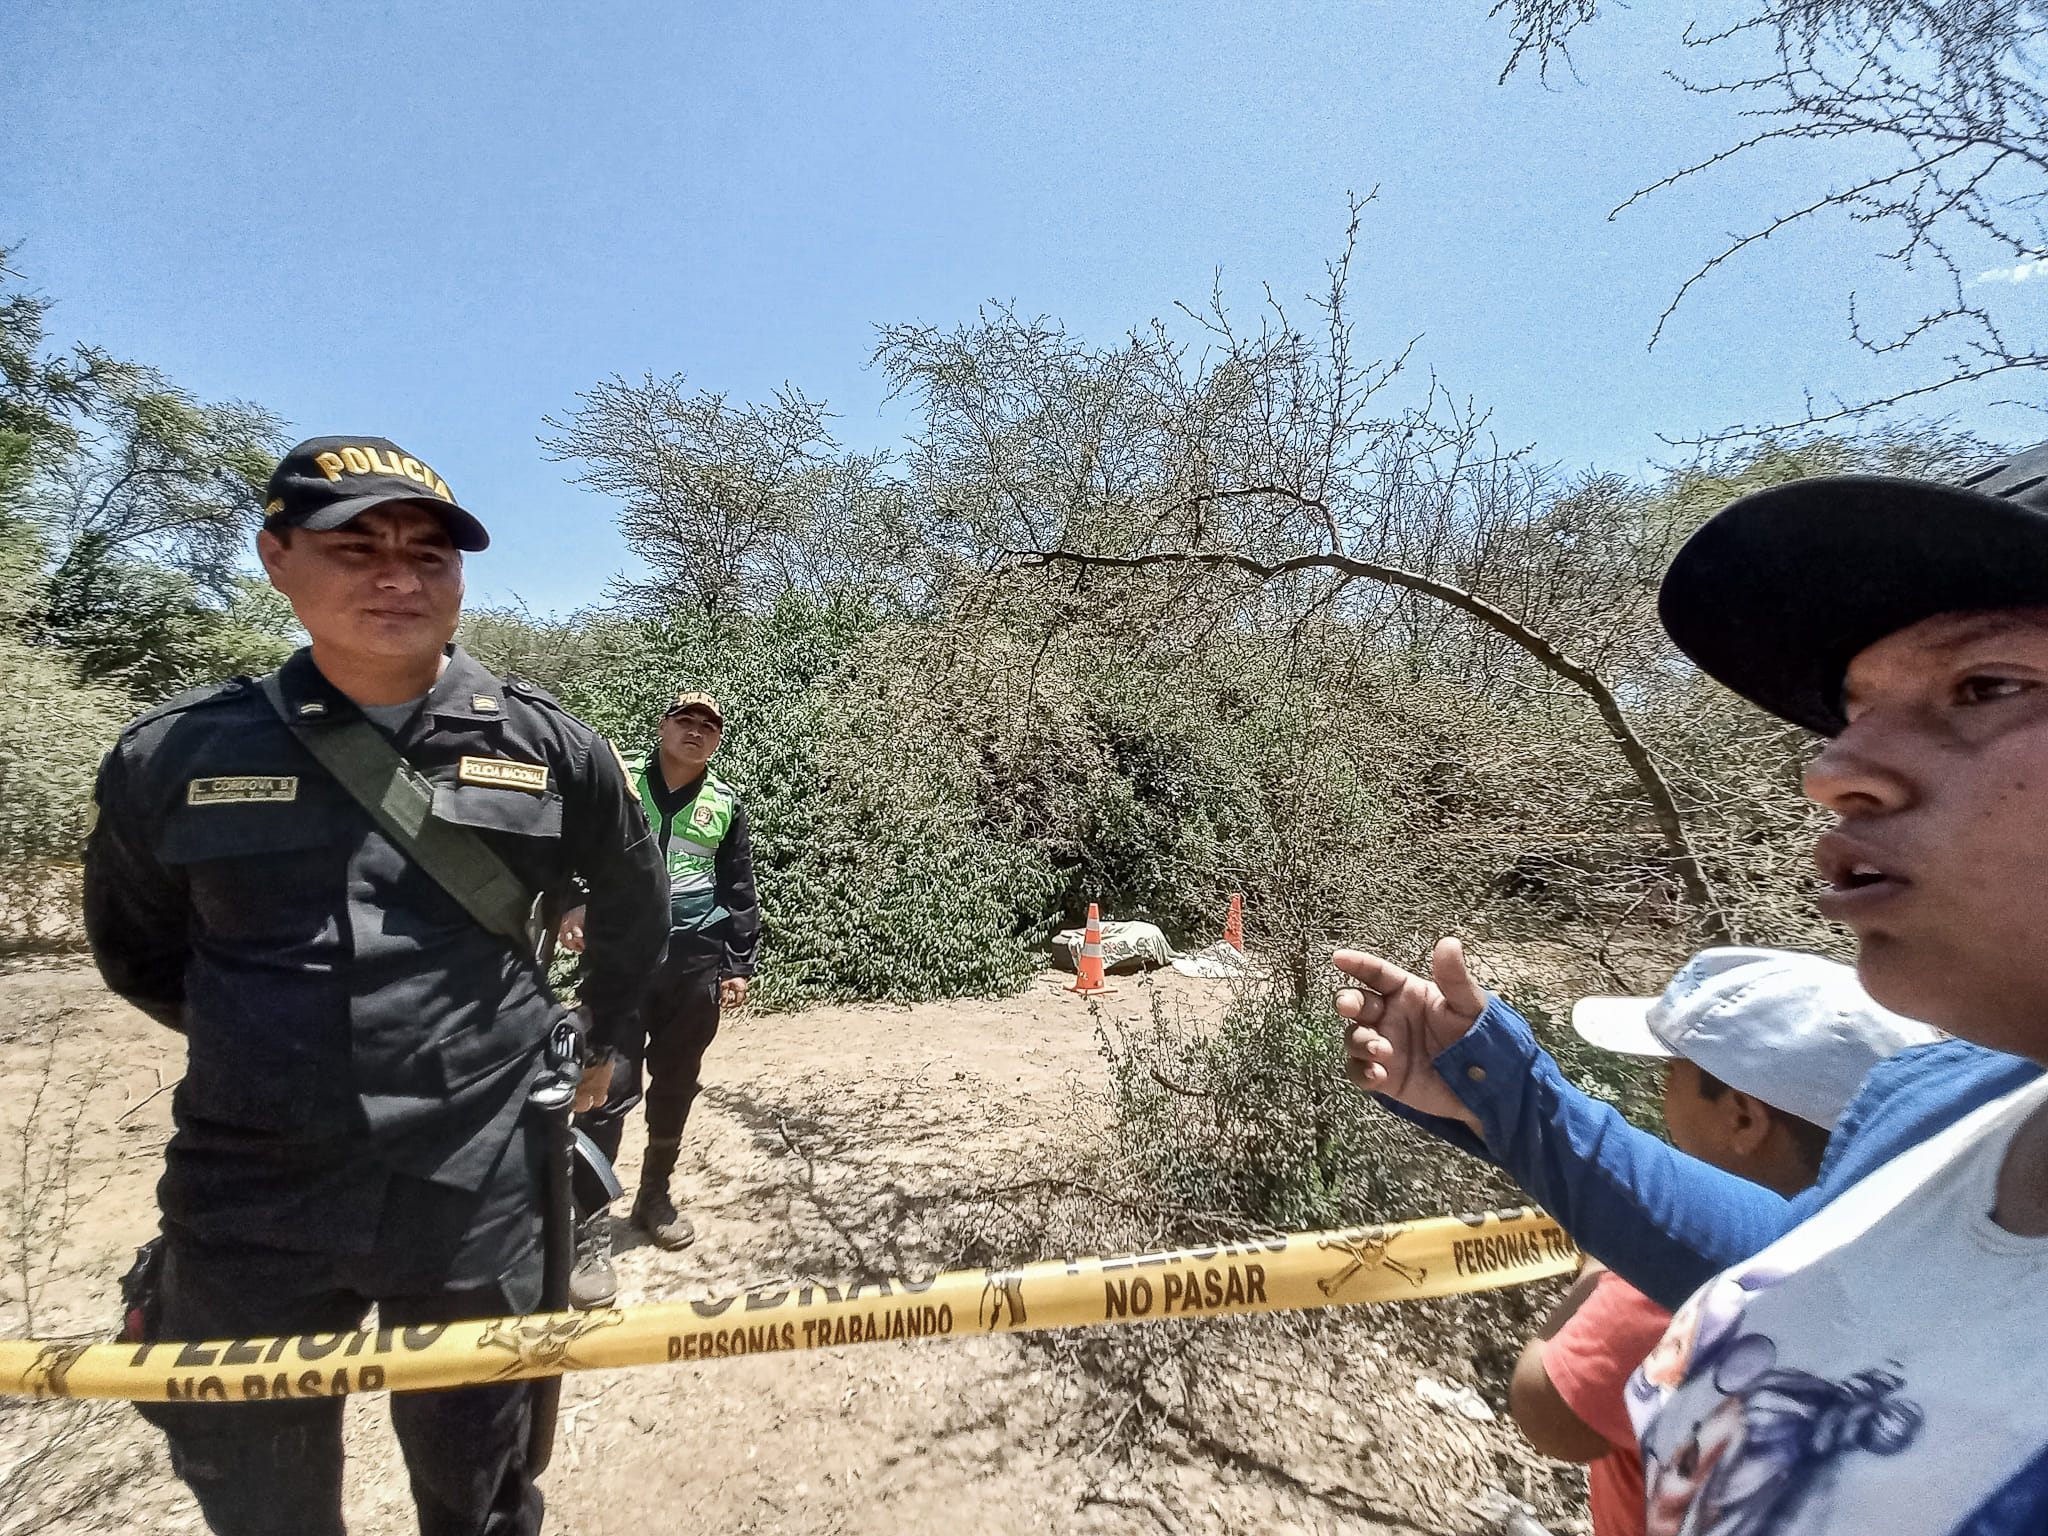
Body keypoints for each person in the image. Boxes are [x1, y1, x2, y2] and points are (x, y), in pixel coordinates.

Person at [1339, 441, 2048, 1529]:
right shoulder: (1949, 1099)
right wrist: (1499, 1090)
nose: (1829, 769)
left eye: (1984, 685)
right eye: (1851, 708)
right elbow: (1805, 1270)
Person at [84, 436, 670, 1536]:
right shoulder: (174, 754)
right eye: (356, 549)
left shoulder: (548, 744)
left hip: (474, 1179)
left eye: (427, 555)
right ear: (275, 558)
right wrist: (274, 1042)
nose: (398, 578)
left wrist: (601, 1037)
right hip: (249, 1191)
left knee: (481, 1482)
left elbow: (637, 906)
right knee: (258, 1498)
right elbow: (141, 949)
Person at [1509, 949, 1934, 1536]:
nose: (1661, 1092)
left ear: (1742, 1119)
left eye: (1672, 1072)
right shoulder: (1905, 1247)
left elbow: (1548, 1412)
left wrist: (1604, 1259)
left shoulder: (1682, 1279)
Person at [562, 688, 759, 1306]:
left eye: (709, 725)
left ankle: (654, 1198)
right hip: (621, 960)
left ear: (717, 740)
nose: (696, 731)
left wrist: (737, 962)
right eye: (685, 719)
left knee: (676, 1081)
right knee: (604, 1088)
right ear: (663, 726)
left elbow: (739, 885)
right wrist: (571, 901)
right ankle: (589, 1229)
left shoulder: (726, 803)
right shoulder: (619, 788)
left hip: (695, 960)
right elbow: (567, 851)